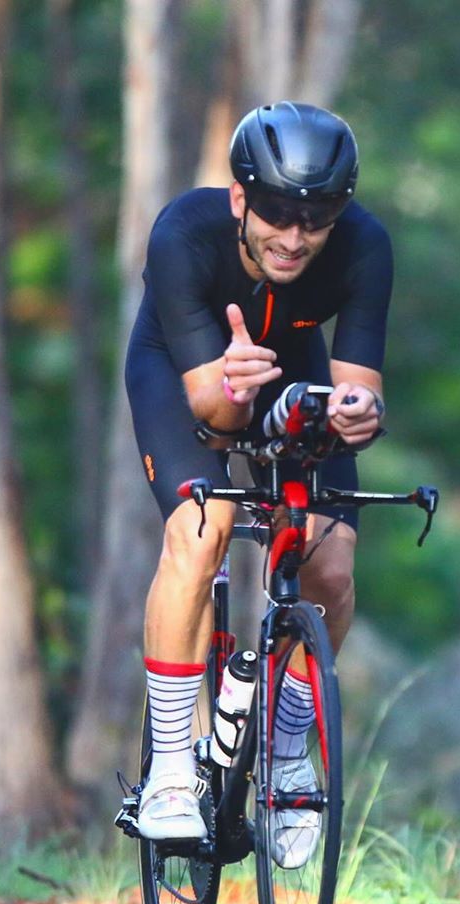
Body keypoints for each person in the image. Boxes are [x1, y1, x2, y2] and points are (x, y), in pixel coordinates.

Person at [124, 102, 391, 860]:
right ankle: (173, 767)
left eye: (318, 216)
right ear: (240, 199)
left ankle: (284, 739)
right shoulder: (185, 232)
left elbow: (359, 385)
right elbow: (211, 407)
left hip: (290, 372)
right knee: (201, 531)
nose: (295, 236)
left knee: (330, 568)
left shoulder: (367, 247)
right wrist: (231, 385)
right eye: (276, 212)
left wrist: (359, 413)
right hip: (190, 372)